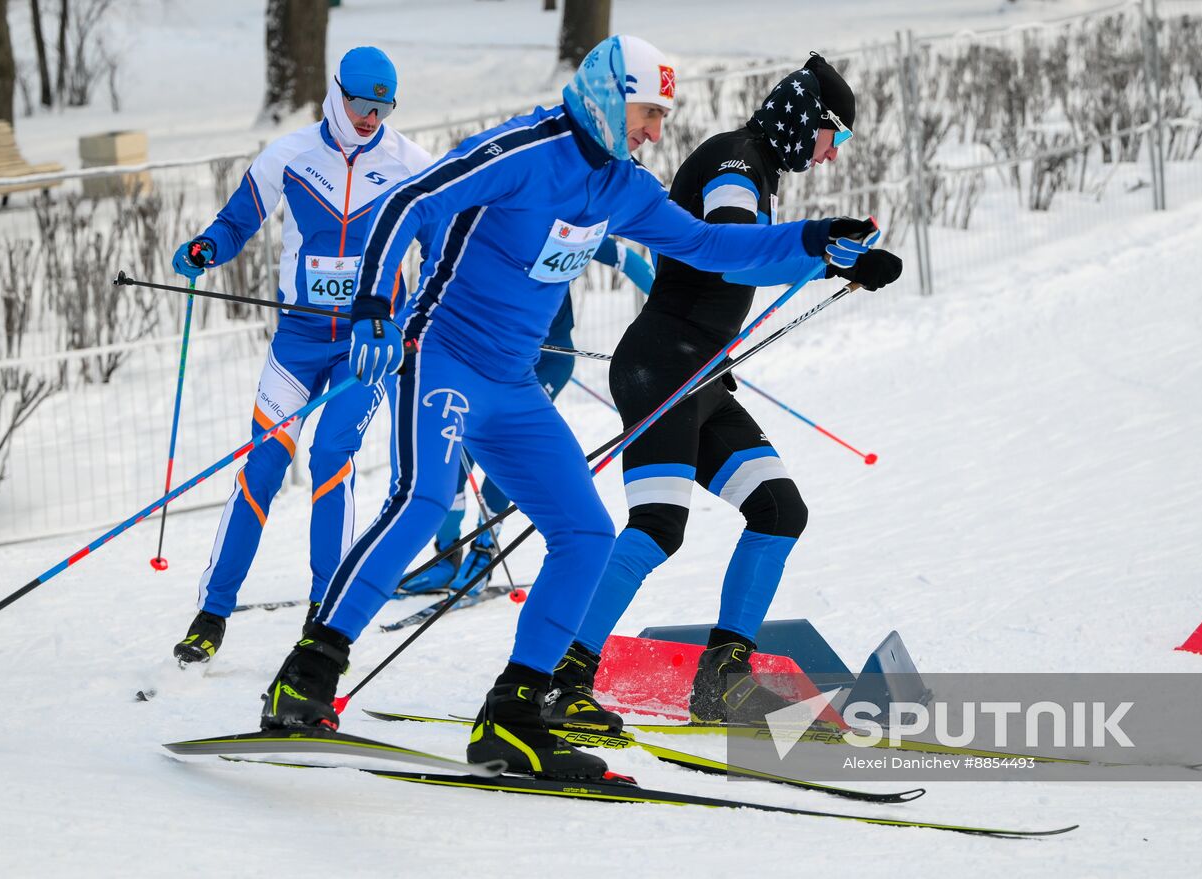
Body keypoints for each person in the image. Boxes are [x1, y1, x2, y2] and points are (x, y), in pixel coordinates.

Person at [257, 35, 897, 782]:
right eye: (648, 113)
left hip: (515, 385)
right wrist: (371, 301)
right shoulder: (523, 150)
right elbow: (409, 199)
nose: (657, 131)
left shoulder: (622, 186)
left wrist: (822, 245)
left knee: (586, 531)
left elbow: (710, 246)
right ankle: (307, 671)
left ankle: (516, 717)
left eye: (662, 116)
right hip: (444, 357)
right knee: (424, 499)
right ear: (606, 94)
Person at [543, 54, 902, 733]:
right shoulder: (736, 161)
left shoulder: (759, 173)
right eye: (836, 137)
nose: (830, 155)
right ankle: (559, 675)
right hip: (661, 366)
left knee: (778, 510)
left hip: (698, 376)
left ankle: (721, 680)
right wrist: (824, 251)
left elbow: (754, 250)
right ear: (805, 118)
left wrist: (839, 260)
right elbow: (733, 246)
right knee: (656, 529)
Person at [170, 47, 433, 664]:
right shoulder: (288, 156)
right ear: (335, 94)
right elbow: (236, 223)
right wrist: (208, 246)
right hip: (297, 343)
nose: (370, 118)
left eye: (383, 107)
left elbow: (444, 244)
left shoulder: (410, 164)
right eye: (361, 104)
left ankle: (324, 615)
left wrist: (410, 317)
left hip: (364, 350)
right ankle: (212, 613)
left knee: (331, 461)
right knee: (261, 470)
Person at [396, 238, 654, 596]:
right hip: (489, 362)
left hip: (547, 361)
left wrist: (667, 323)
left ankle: (485, 550)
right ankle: (446, 555)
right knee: (454, 458)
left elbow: (628, 261)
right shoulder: (487, 229)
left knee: (508, 454)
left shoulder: (569, 229)